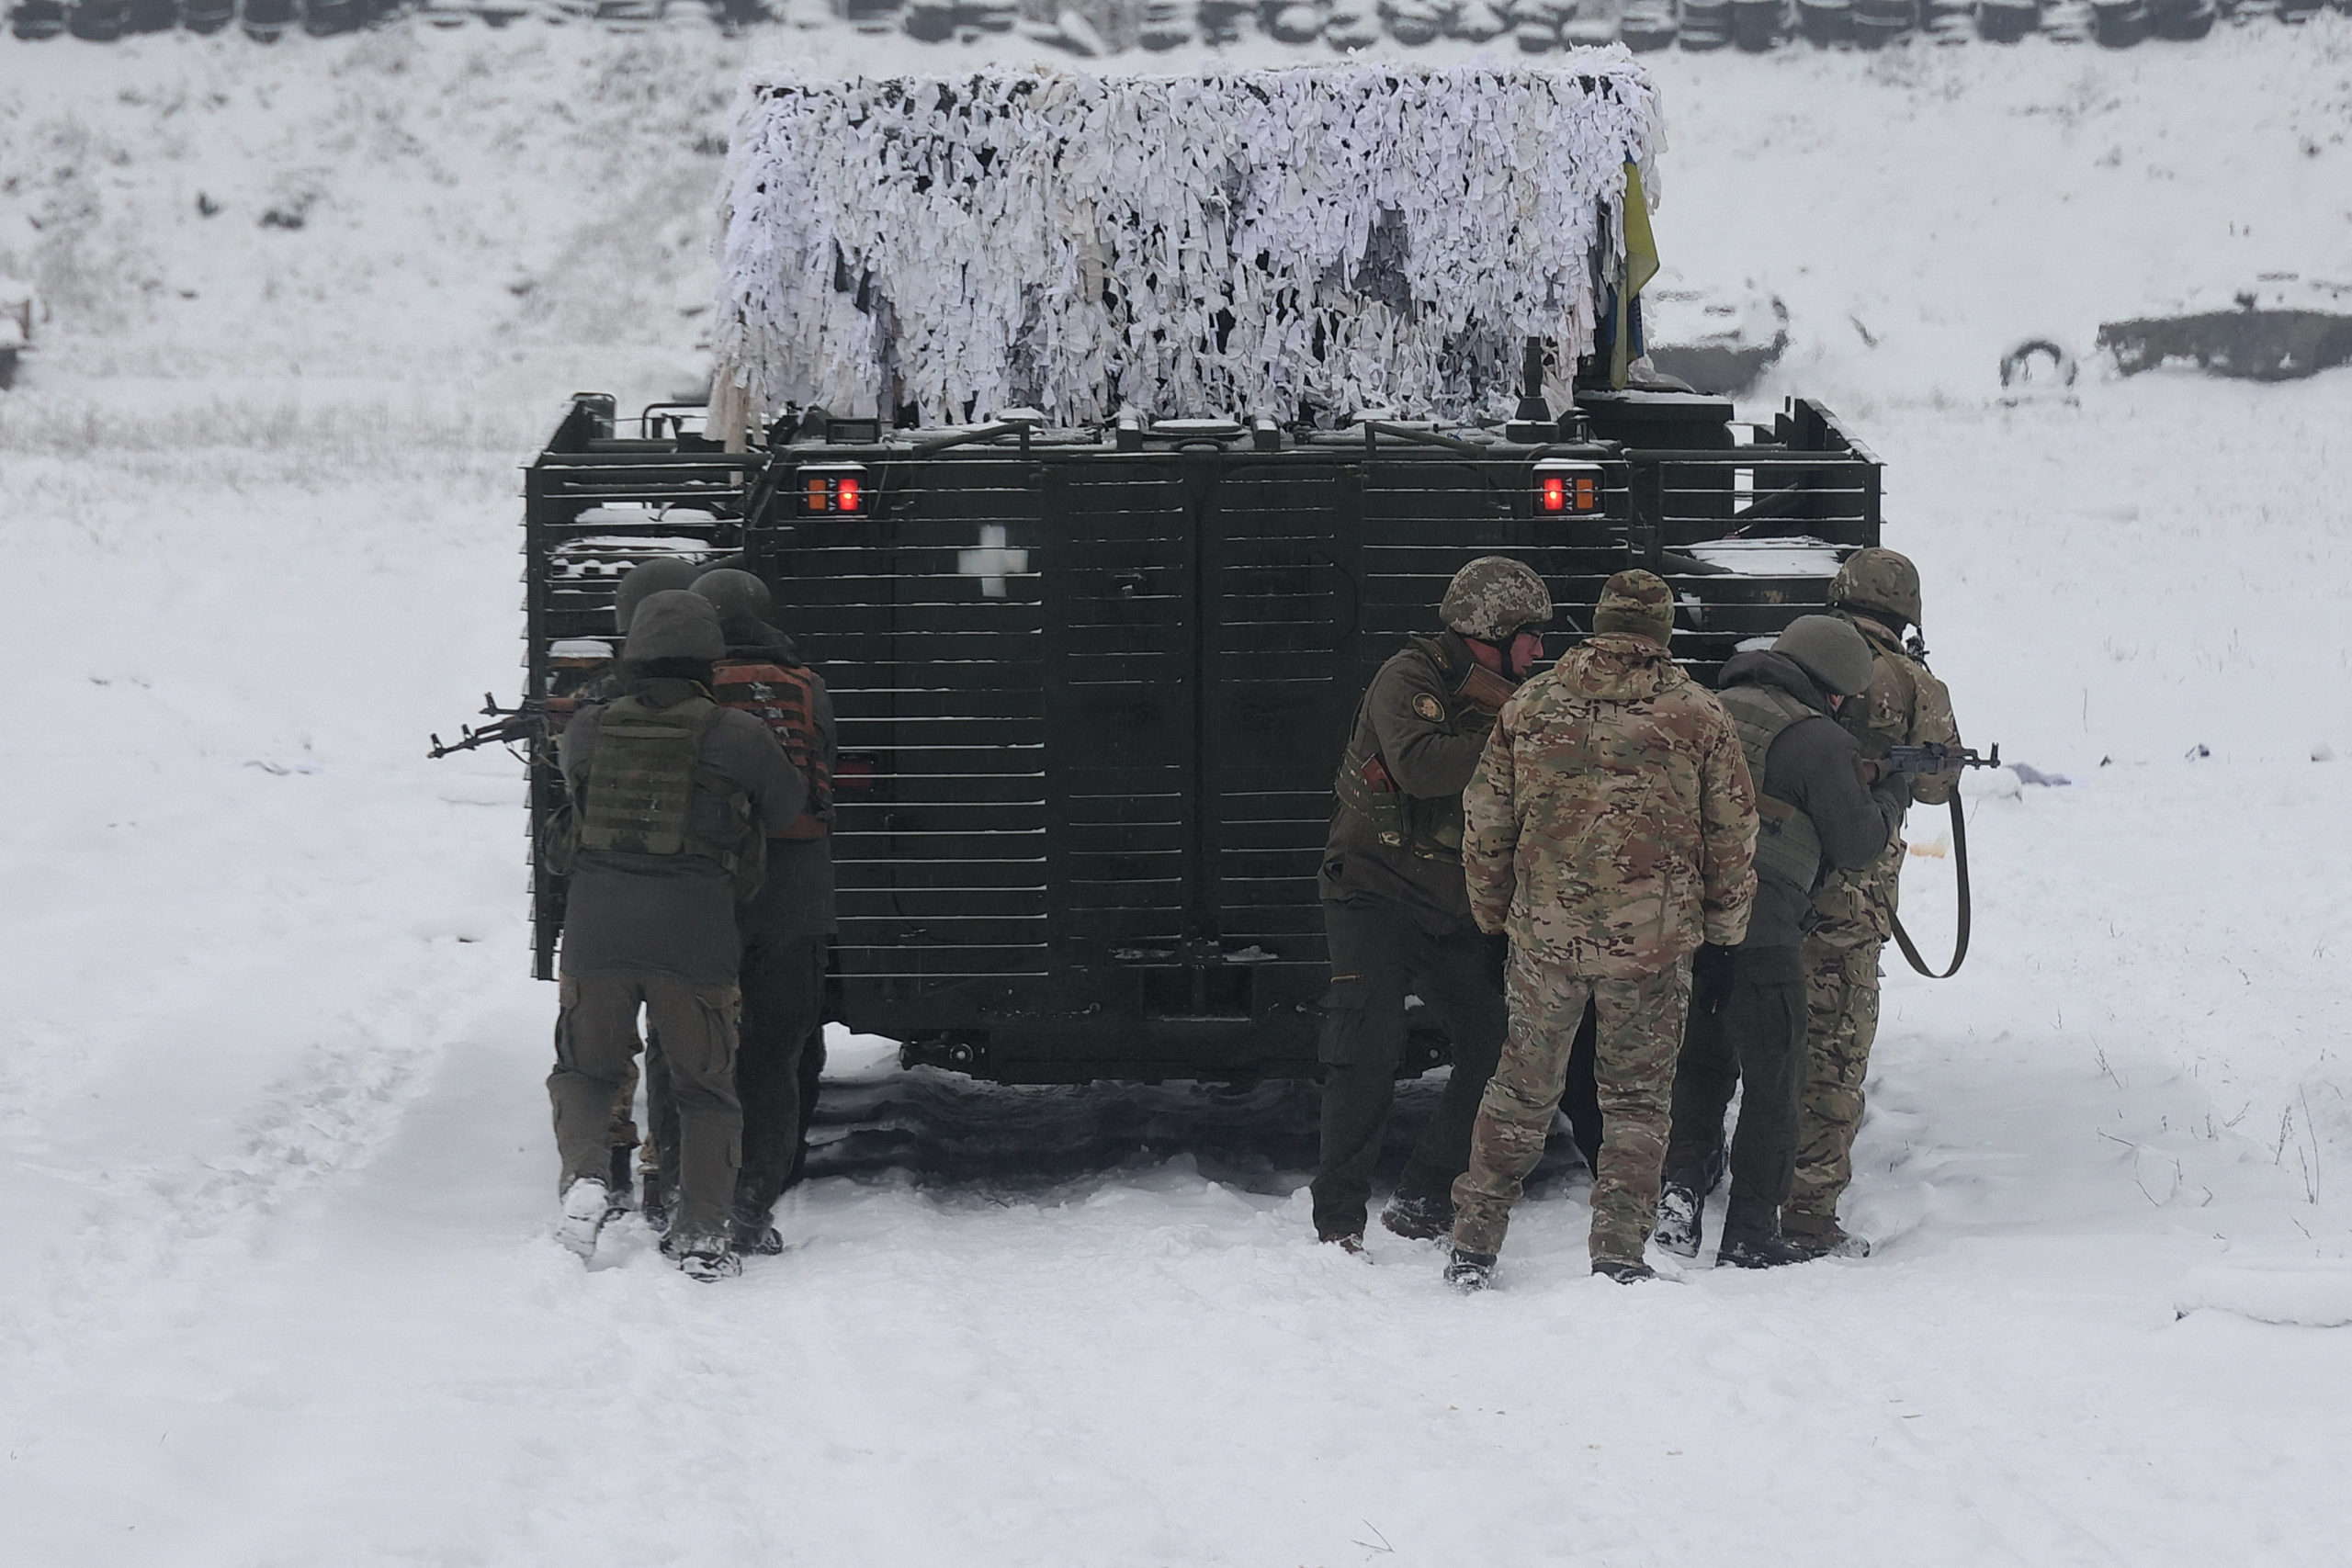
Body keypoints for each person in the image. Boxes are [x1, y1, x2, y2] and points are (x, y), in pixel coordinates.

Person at [1445, 569, 1758, 1289]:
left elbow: (1485, 823)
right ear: (1662, 630)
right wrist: (1724, 940)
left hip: (1544, 939)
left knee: (1521, 1088)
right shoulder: (1698, 715)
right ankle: (1618, 1250)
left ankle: (1473, 1242)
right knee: (1639, 1100)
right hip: (1653, 945)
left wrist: (1493, 924)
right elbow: (1733, 838)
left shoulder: (1531, 704)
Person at [547, 590, 804, 1280]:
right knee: (705, 1089)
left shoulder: (588, 728)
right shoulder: (738, 734)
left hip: (597, 931)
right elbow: (786, 805)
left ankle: (587, 1180)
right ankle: (700, 1234)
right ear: (709, 662)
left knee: (585, 1071)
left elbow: (571, 792)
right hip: (695, 938)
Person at [1309, 556, 1552, 1250]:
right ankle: (1338, 1224)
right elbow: (1419, 766)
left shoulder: (1512, 694)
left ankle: (1424, 1195)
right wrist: (1520, 739)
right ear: (1492, 629)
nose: (1539, 650)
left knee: (1497, 1045)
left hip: (1450, 905)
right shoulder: (1411, 677)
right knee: (1364, 1049)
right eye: (1530, 634)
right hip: (1375, 891)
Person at [1656, 615, 1901, 1269]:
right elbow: (1855, 844)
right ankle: (1752, 1232)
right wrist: (1892, 797)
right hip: (1763, 936)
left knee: (1701, 1067)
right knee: (1776, 1082)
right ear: (1831, 687)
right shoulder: (1819, 740)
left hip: (1684, 926)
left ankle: (1677, 1200)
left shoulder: (1711, 708)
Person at [638, 568, 838, 1255]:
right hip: (793, 900)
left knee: (679, 1050)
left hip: (698, 897)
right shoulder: (807, 686)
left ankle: (672, 1190)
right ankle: (753, 1196)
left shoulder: (685, 694)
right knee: (772, 1053)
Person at [1784, 547, 1963, 1258]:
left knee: (1741, 1045)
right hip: (1849, 904)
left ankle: (1698, 1186)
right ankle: (1805, 1217)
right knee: (1830, 1061)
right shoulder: (1916, 683)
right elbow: (1935, 784)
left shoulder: (1797, 652)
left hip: (1761, 883)